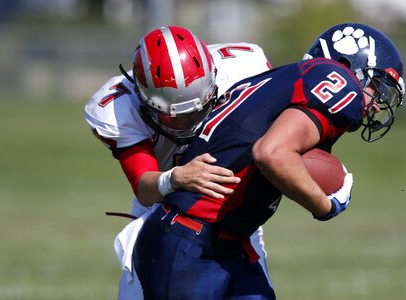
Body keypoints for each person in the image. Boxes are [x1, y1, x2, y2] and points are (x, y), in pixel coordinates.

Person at [132, 22, 406, 299]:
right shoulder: (339, 82)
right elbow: (272, 153)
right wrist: (327, 206)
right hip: (189, 241)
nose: (378, 104)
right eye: (378, 87)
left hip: (223, 243)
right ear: (349, 65)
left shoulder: (282, 79)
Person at [84, 25, 273, 299]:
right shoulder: (117, 107)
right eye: (174, 117)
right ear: (142, 96)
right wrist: (176, 178)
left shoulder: (244, 68)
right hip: (160, 211)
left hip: (228, 208)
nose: (189, 124)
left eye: (198, 110)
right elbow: (145, 188)